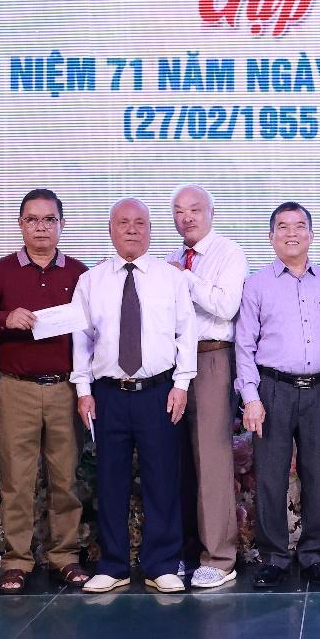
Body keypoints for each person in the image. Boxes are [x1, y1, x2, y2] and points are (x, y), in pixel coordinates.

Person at [0, 188, 90, 594]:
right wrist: (5, 318)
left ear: (62, 225)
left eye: (49, 219)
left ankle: (65, 557)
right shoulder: (2, 271)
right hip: (16, 389)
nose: (41, 227)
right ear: (20, 225)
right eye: (32, 220)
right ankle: (17, 561)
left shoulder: (80, 273)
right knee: (17, 480)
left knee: (65, 478)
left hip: (65, 389)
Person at [72, 199, 196, 594]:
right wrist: (83, 390)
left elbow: (186, 333)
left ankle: (162, 564)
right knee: (110, 480)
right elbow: (81, 339)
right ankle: (113, 565)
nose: (131, 229)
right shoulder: (91, 281)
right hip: (108, 394)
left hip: (158, 392)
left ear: (150, 230)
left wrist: (182, 384)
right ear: (110, 229)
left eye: (139, 222)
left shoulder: (171, 278)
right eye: (123, 222)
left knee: (162, 479)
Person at [235, 202, 320, 588]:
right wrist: (251, 397)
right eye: (282, 227)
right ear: (271, 237)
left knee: (317, 473)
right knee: (270, 476)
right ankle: (273, 557)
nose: (291, 233)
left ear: (311, 235)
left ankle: (315, 554)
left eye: (300, 226)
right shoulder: (256, 284)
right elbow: (244, 346)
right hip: (273, 391)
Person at [167, 185, 247, 590]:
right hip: (173, 364)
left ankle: (220, 556)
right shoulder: (171, 257)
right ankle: (186, 550)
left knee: (212, 460)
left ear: (211, 213)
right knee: (178, 461)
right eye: (179, 211)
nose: (187, 218)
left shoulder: (228, 253)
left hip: (212, 358)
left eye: (195, 210)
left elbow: (226, 307)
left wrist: (184, 278)